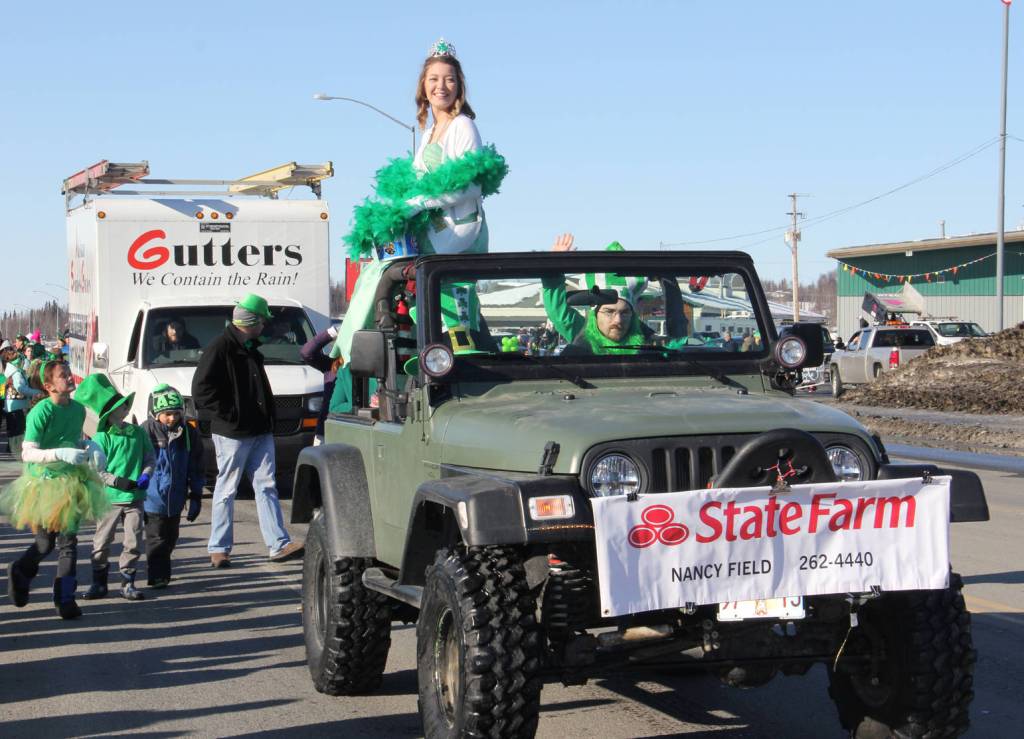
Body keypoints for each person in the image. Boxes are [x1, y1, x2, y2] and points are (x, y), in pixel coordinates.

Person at [332, 37, 507, 365]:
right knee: (380, 274)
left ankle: (462, 360)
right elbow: (415, 187)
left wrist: (418, 203)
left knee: (452, 305)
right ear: (423, 87)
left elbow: (471, 187)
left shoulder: (463, 126)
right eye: (434, 79)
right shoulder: (428, 132)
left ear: (460, 87)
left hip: (458, 235)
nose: (442, 86)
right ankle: (350, 349)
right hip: (432, 234)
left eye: (449, 79)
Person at [191, 293, 304, 567]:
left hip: (259, 430)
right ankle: (218, 548)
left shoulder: (249, 347)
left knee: (266, 486)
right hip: (233, 432)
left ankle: (278, 544)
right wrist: (231, 415)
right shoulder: (220, 348)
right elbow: (201, 391)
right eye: (263, 320)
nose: (265, 325)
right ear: (251, 320)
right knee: (226, 488)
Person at [1, 360, 110, 619]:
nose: (70, 378)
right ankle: (20, 571)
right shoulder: (41, 411)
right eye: (63, 376)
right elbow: (28, 452)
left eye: (69, 374)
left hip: (71, 481)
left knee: (68, 544)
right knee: (44, 543)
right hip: (43, 484)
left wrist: (90, 447)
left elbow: (75, 438)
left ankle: (65, 599)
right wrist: (59, 453)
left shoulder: (78, 410)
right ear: (49, 386)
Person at [76, 373, 155, 601]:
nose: (126, 408)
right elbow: (97, 470)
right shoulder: (102, 438)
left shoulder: (138, 433)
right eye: (121, 406)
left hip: (135, 498)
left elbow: (150, 458)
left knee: (133, 541)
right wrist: (117, 481)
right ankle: (98, 583)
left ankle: (127, 582)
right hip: (110, 498)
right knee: (101, 542)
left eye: (125, 405)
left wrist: (146, 475)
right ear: (109, 415)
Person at [541, 234, 650, 355]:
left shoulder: (647, 340)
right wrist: (552, 265)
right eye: (609, 312)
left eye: (624, 312)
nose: (618, 320)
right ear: (595, 314)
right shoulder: (583, 332)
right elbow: (557, 310)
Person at [140, 384, 205, 588]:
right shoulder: (146, 431)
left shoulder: (188, 433)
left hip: (176, 499)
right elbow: (134, 461)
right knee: (156, 538)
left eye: (176, 414)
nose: (172, 418)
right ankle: (158, 576)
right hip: (152, 499)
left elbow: (196, 465)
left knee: (171, 538)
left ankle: (161, 569)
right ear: (156, 413)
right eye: (167, 414)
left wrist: (196, 495)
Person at [299, 326, 341, 444]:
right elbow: (306, 353)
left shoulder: (367, 366)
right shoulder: (332, 365)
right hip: (325, 431)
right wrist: (333, 332)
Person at [3, 347, 42, 458]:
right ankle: (15, 451)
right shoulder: (16, 373)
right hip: (17, 405)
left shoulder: (11, 371)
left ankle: (10, 449)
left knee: (12, 428)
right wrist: (37, 392)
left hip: (12, 405)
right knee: (18, 429)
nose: (23, 361)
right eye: (21, 359)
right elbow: (21, 389)